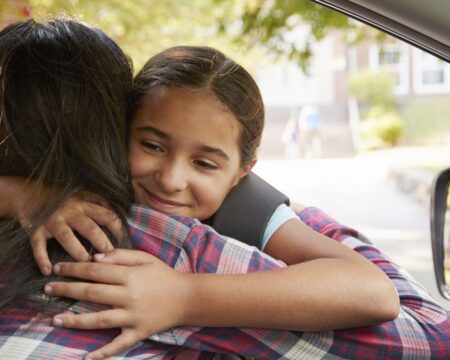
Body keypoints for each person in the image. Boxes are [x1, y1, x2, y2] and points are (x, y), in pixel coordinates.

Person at [0, 21, 448, 360]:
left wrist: (184, 296)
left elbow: (372, 295)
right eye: (151, 145)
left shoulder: (250, 219)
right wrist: (25, 195)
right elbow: (430, 332)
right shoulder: (144, 239)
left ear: (242, 173)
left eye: (205, 162)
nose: (172, 179)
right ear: (116, 131)